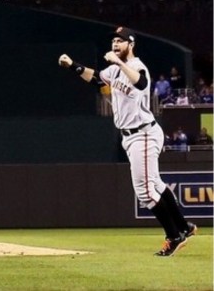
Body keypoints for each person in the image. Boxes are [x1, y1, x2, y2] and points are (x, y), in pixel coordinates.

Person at [58, 26, 197, 256]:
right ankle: (183, 227)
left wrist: (118, 62)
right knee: (156, 184)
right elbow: (95, 78)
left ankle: (174, 236)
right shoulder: (114, 70)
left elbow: (141, 83)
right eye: (113, 41)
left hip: (142, 133)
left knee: (144, 191)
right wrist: (74, 65)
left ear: (130, 45)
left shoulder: (136, 66)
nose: (115, 44)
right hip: (134, 134)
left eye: (120, 41)